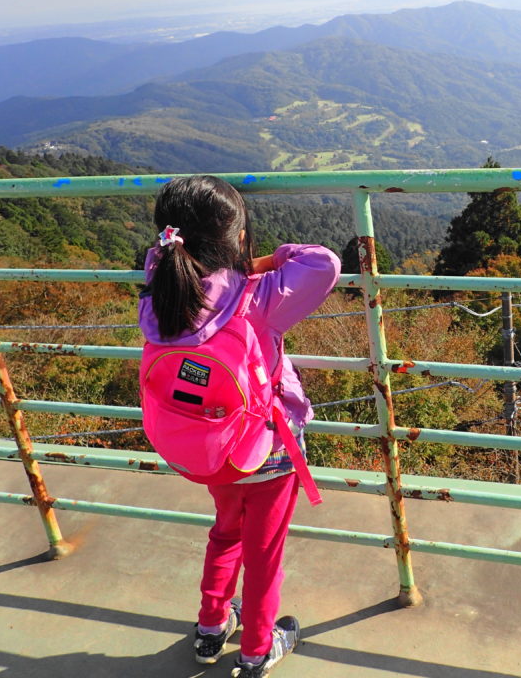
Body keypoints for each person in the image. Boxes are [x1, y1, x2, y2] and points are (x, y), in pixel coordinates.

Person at [138, 175, 340, 677]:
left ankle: (210, 628)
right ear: (238, 242)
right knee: (264, 553)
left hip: (205, 451)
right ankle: (256, 649)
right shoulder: (259, 296)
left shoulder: (162, 288)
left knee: (225, 533)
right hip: (265, 452)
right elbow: (324, 263)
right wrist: (266, 259)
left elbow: (166, 255)